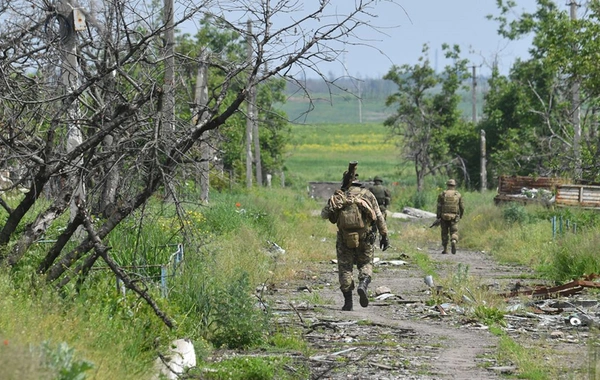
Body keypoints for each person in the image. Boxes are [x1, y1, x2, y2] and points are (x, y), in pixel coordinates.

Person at [321, 164, 389, 311]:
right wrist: (384, 235)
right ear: (358, 181)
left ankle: (348, 303)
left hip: (344, 239)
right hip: (365, 237)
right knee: (365, 263)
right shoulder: (367, 194)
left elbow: (325, 215)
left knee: (345, 268)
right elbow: (378, 216)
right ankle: (363, 284)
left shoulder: (339, 195)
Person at [436, 179, 465, 254]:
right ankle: (453, 240)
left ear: (447, 185)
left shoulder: (442, 194)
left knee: (444, 232)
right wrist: (461, 215)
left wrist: (438, 216)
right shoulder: (458, 195)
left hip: (444, 216)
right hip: (454, 217)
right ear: (454, 185)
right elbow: (462, 207)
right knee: (454, 231)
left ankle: (445, 249)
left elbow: (439, 206)